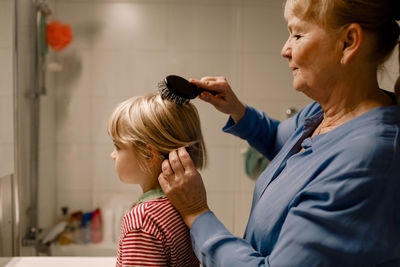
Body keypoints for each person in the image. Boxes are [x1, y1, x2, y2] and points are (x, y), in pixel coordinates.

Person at [158, 0, 400, 266]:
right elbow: (278, 141)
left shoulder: (367, 161)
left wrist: (196, 212)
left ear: (348, 42)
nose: (284, 49)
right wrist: (238, 109)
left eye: (296, 34)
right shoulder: (317, 114)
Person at [108, 93, 205, 266]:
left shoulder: (143, 221)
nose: (112, 155)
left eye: (118, 147)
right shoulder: (182, 202)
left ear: (149, 155)